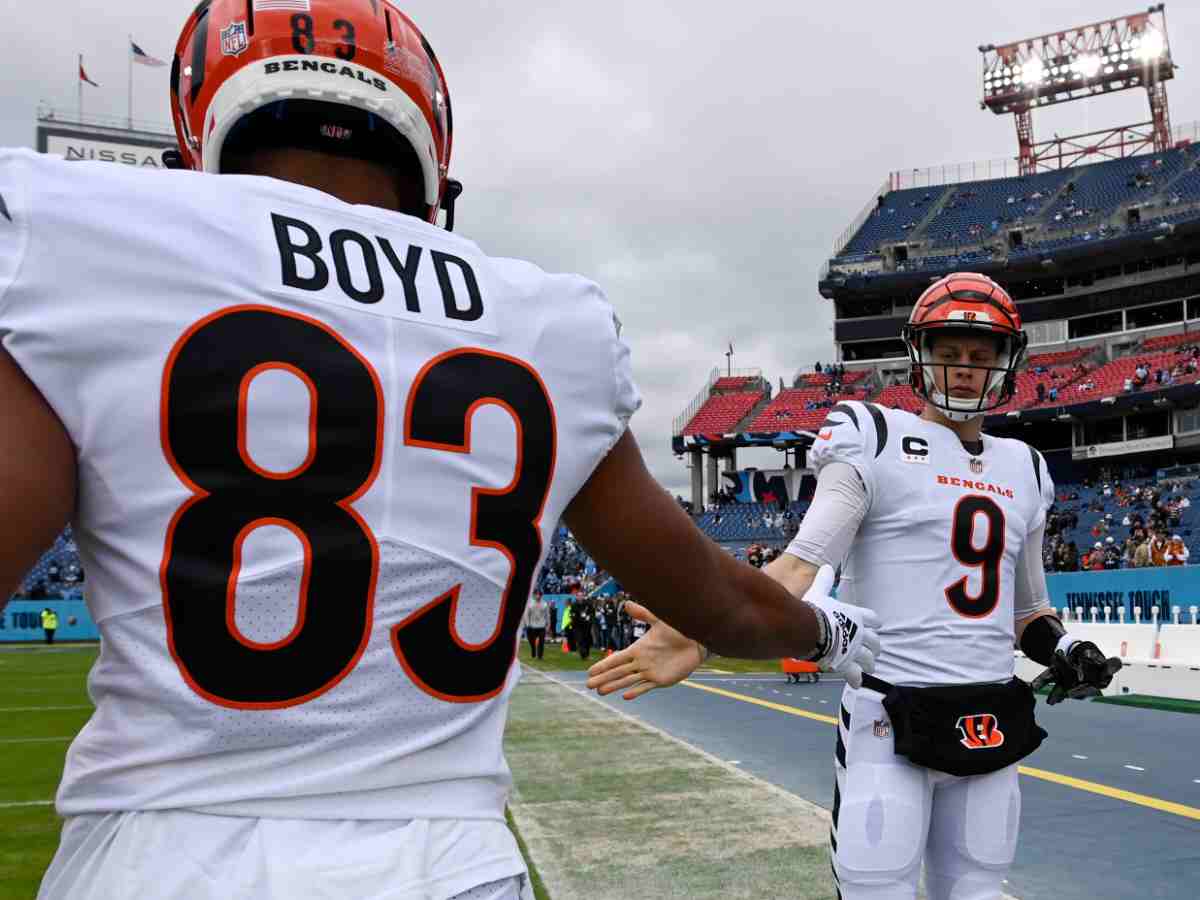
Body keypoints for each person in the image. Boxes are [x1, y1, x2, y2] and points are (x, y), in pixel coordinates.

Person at [0, 4, 880, 898]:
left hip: (169, 860)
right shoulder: (548, 321)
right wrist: (836, 632)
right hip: (453, 867)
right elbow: (727, 608)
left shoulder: (82, 230)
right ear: (430, 159)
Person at [590, 273, 1120, 900]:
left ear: (1007, 363)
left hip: (987, 715)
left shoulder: (1026, 467)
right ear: (920, 354)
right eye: (949, 353)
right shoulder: (875, 436)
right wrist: (705, 633)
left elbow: (1027, 614)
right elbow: (799, 566)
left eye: (981, 357)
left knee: (980, 891)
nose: (965, 370)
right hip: (889, 717)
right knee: (878, 890)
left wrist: (1064, 651)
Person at [523, 593, 549, 660]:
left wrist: (548, 624)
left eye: (539, 595)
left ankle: (540, 656)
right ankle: (533, 649)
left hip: (541, 626)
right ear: (534, 595)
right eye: (537, 595)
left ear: (541, 596)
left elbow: (547, 615)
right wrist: (527, 624)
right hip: (532, 626)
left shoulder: (544, 604)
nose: (538, 596)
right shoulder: (530, 604)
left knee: (541, 642)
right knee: (531, 641)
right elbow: (526, 615)